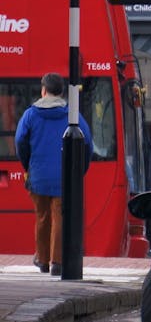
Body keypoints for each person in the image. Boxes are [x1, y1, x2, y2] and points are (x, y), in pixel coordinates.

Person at [15, 73, 93, 276]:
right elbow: (86, 144)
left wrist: (28, 166)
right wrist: (78, 172)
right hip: (64, 177)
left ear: (43, 90)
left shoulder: (30, 115)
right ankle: (57, 261)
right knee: (59, 217)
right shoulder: (72, 115)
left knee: (42, 217)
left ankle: (42, 260)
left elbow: (20, 141)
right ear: (62, 92)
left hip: (38, 175)